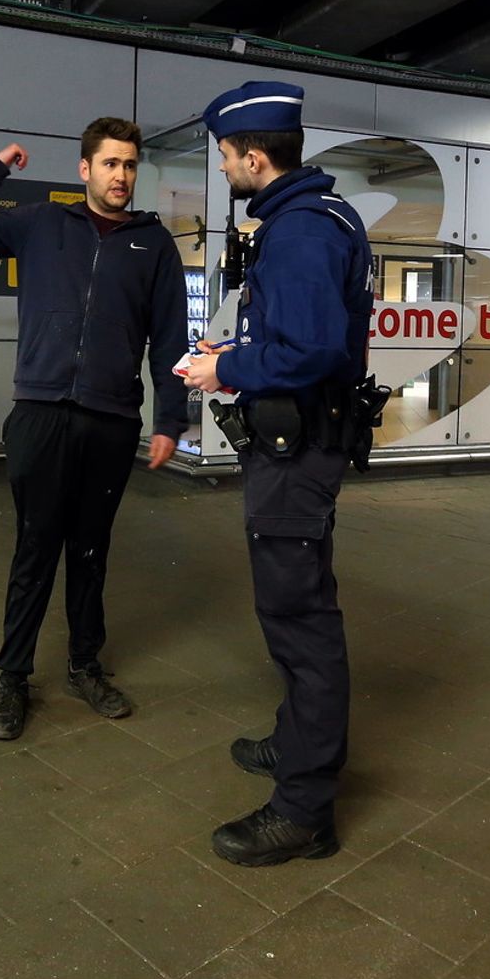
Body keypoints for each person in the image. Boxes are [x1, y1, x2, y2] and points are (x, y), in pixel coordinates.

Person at [0, 117, 189, 741]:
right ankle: (12, 677)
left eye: (130, 165)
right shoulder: (42, 223)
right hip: (41, 412)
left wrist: (170, 419)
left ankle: (85, 665)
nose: (121, 175)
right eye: (110, 164)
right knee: (35, 549)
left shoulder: (153, 245)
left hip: (110, 420)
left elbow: (169, 339)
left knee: (89, 551)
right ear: (85, 169)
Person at [183, 81, 374, 865]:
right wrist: (240, 356)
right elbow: (305, 339)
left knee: (300, 623)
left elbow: (310, 352)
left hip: (296, 456)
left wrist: (223, 371)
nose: (226, 169)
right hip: (303, 443)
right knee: (296, 611)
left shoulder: (298, 234)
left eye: (228, 157)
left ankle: (304, 809)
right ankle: (298, 744)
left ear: (255, 157)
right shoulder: (323, 217)